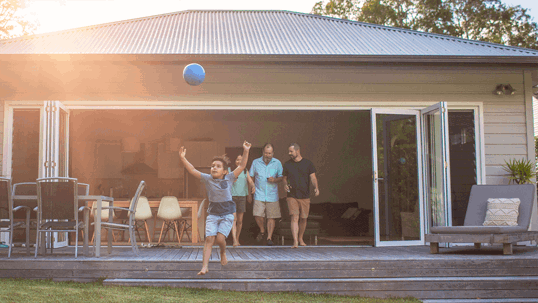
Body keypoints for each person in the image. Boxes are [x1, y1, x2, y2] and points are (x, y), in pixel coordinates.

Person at [179, 140, 252, 275]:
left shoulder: (229, 178)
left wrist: (246, 150)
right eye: (212, 166)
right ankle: (204, 266)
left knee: (220, 239)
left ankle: (223, 252)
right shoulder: (207, 179)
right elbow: (192, 170)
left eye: (218, 166)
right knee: (209, 239)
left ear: (225, 171)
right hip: (213, 213)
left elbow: (242, 166)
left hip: (227, 213)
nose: (214, 168)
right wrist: (183, 158)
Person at [283, 143, 319, 248]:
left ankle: (300, 238)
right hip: (291, 195)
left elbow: (313, 177)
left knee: (303, 218)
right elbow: (284, 178)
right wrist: (285, 185)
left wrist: (316, 187)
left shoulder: (308, 164)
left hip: (305, 196)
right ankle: (295, 241)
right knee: (294, 217)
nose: (289, 153)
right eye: (289, 151)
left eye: (291, 151)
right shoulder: (287, 164)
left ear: (297, 151)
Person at [249, 143, 283, 246]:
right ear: (262, 152)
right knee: (257, 214)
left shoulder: (277, 163)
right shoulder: (256, 162)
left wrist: (274, 179)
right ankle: (262, 230)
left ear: (273, 153)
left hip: (272, 195)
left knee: (271, 217)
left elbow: (281, 177)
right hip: (259, 193)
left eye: (269, 153)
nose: (267, 155)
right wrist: (250, 191)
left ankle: (269, 237)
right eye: (266, 153)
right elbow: (250, 177)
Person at [229, 154, 255, 247]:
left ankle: (237, 238)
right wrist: (232, 180)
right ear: (234, 161)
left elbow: (250, 181)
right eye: (237, 159)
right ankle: (234, 240)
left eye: (241, 160)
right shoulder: (230, 170)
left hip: (242, 197)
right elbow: (225, 180)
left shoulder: (245, 170)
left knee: (240, 220)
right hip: (232, 197)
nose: (239, 162)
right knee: (234, 219)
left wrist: (253, 186)